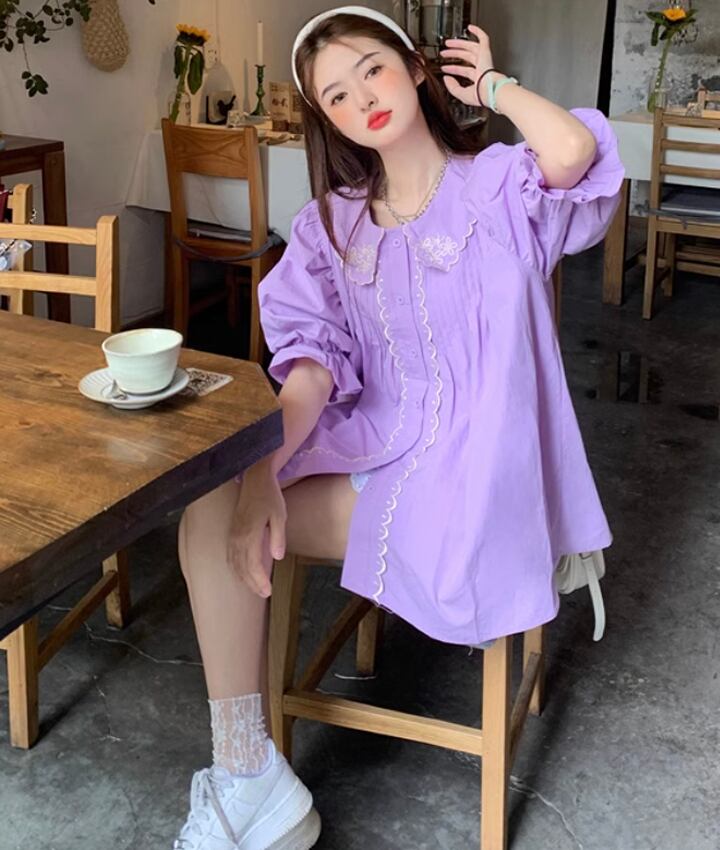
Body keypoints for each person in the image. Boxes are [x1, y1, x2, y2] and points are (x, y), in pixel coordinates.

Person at [173, 6, 624, 849]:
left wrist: (493, 86)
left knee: (228, 512)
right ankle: (247, 771)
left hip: (480, 467)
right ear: (326, 118)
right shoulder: (332, 225)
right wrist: (264, 470)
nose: (363, 100)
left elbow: (573, 154)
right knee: (213, 502)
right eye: (337, 96)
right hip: (378, 442)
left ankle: (251, 783)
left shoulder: (498, 185)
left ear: (415, 68)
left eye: (373, 70)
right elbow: (311, 366)